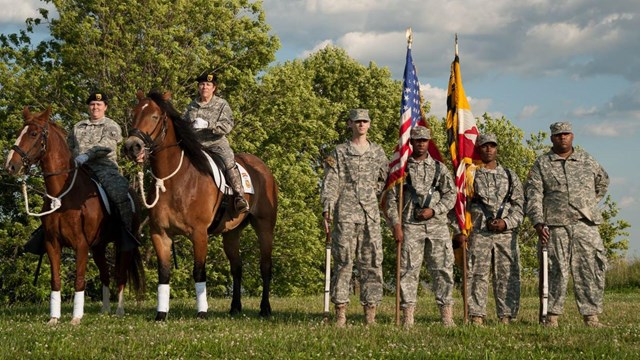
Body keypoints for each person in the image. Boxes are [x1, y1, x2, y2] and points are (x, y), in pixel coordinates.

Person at [524, 122, 609, 328]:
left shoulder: (586, 160)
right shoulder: (542, 163)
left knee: (590, 268)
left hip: (585, 224)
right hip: (554, 225)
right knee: (554, 270)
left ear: (572, 136)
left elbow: (603, 182)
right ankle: (551, 317)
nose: (562, 137)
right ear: (552, 138)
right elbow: (533, 194)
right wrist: (538, 222)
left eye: (566, 134)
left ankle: (591, 317)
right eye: (558, 135)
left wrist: (588, 204)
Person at [320, 109, 389, 327]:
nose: (361, 125)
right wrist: (327, 210)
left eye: (365, 121)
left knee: (372, 263)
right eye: (357, 121)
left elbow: (386, 180)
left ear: (369, 125)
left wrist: (372, 192)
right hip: (346, 214)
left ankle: (370, 314)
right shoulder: (340, 152)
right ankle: (341, 312)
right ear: (350, 124)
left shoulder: (378, 152)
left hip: (370, 215)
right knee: (344, 263)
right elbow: (331, 181)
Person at [385, 125, 456, 328]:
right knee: (408, 270)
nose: (421, 144)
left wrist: (435, 210)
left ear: (429, 142)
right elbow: (391, 198)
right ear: (411, 142)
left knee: (442, 269)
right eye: (417, 140)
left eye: (425, 140)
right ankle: (407, 317)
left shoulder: (439, 168)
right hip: (410, 225)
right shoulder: (401, 169)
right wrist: (395, 223)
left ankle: (446, 316)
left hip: (437, 226)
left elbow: (451, 195)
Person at [455, 134, 524, 326]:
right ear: (479, 149)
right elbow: (460, 205)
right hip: (479, 234)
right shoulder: (470, 175)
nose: (488, 149)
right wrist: (459, 230)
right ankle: (476, 315)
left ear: (496, 149)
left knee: (507, 275)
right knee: (476, 275)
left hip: (505, 235)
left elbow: (520, 205)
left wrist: (507, 222)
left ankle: (506, 316)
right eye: (484, 146)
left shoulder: (510, 175)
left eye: (492, 146)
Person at [68, 92, 135, 240]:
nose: (95, 107)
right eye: (92, 104)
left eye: (99, 104)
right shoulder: (78, 126)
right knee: (56, 191)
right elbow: (69, 147)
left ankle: (126, 233)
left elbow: (107, 146)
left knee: (119, 193)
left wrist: (87, 155)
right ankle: (46, 231)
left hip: (104, 168)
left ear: (105, 107)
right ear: (88, 107)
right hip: (79, 168)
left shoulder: (111, 125)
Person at [184, 71, 249, 213]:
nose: (204, 87)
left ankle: (239, 197)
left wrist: (208, 125)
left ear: (214, 88)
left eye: (208, 85)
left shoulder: (221, 104)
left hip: (216, 143)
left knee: (229, 162)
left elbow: (227, 125)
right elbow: (183, 125)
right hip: (196, 144)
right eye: (202, 84)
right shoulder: (192, 106)